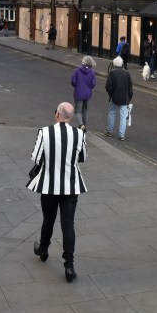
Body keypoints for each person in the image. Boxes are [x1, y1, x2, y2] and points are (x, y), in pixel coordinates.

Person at [27, 102, 87, 283]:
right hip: (70, 185)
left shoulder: (44, 132)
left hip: (49, 185)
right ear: (69, 117)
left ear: (56, 115)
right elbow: (82, 157)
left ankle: (43, 249)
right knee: (68, 224)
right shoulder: (79, 134)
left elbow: (36, 158)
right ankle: (69, 265)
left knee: (49, 219)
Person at [105, 56, 133, 141]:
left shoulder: (112, 73)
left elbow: (108, 87)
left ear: (114, 64)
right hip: (124, 98)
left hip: (114, 97)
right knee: (123, 116)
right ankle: (122, 135)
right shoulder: (127, 73)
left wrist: (110, 94)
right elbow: (130, 88)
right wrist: (129, 98)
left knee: (112, 113)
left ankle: (109, 131)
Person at [71, 56, 97, 131]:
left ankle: (81, 124)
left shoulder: (77, 70)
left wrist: (77, 86)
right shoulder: (92, 72)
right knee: (85, 110)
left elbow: (73, 81)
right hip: (87, 94)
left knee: (78, 111)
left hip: (78, 93)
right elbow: (93, 84)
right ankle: (84, 126)